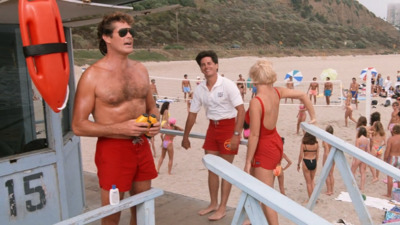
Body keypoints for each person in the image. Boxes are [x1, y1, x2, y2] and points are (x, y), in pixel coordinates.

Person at [71, 12, 159, 225]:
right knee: (111, 214)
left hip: (141, 146)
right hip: (113, 149)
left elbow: (152, 107)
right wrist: (121, 128)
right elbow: (78, 126)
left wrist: (154, 123)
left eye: (131, 32)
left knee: (142, 208)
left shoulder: (141, 69)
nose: (130, 36)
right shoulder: (92, 75)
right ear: (107, 37)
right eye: (123, 32)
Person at [244, 60, 316, 224]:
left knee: (266, 194)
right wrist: (313, 116)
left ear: (255, 79)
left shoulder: (257, 101)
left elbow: (254, 135)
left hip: (264, 147)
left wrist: (248, 161)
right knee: (260, 190)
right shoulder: (277, 92)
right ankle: (254, 219)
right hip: (276, 142)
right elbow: (303, 95)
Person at [181, 50, 245, 221]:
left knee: (225, 170)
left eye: (209, 63)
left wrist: (236, 135)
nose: (206, 66)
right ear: (201, 68)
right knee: (211, 168)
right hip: (212, 128)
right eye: (203, 64)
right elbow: (192, 114)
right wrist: (185, 136)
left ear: (216, 65)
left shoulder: (227, 84)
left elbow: (241, 110)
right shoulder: (201, 88)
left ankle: (223, 207)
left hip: (228, 128)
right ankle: (213, 203)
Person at [297, 132, 319, 201]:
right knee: (312, 181)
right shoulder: (316, 144)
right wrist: (315, 163)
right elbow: (317, 155)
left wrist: (298, 164)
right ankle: (315, 198)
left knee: (308, 183)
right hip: (314, 161)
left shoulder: (304, 144)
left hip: (306, 161)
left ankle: (311, 199)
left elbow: (301, 155)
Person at [383, 124, 400, 198]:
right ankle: (398, 192)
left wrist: (385, 159)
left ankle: (389, 194)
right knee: (399, 176)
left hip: (392, 158)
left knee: (390, 176)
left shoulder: (391, 139)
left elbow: (387, 151)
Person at [351, 126, 370, 191]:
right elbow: (368, 150)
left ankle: (353, 185)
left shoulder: (358, 140)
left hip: (358, 156)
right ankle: (362, 187)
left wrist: (354, 159)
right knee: (363, 172)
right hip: (363, 156)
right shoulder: (367, 140)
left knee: (353, 171)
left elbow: (356, 150)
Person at [322, 125, 335, 195]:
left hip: (327, 157)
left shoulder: (325, 140)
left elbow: (327, 151)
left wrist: (327, 159)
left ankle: (329, 190)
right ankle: (332, 190)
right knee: (331, 174)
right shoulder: (333, 139)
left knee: (326, 174)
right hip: (333, 157)